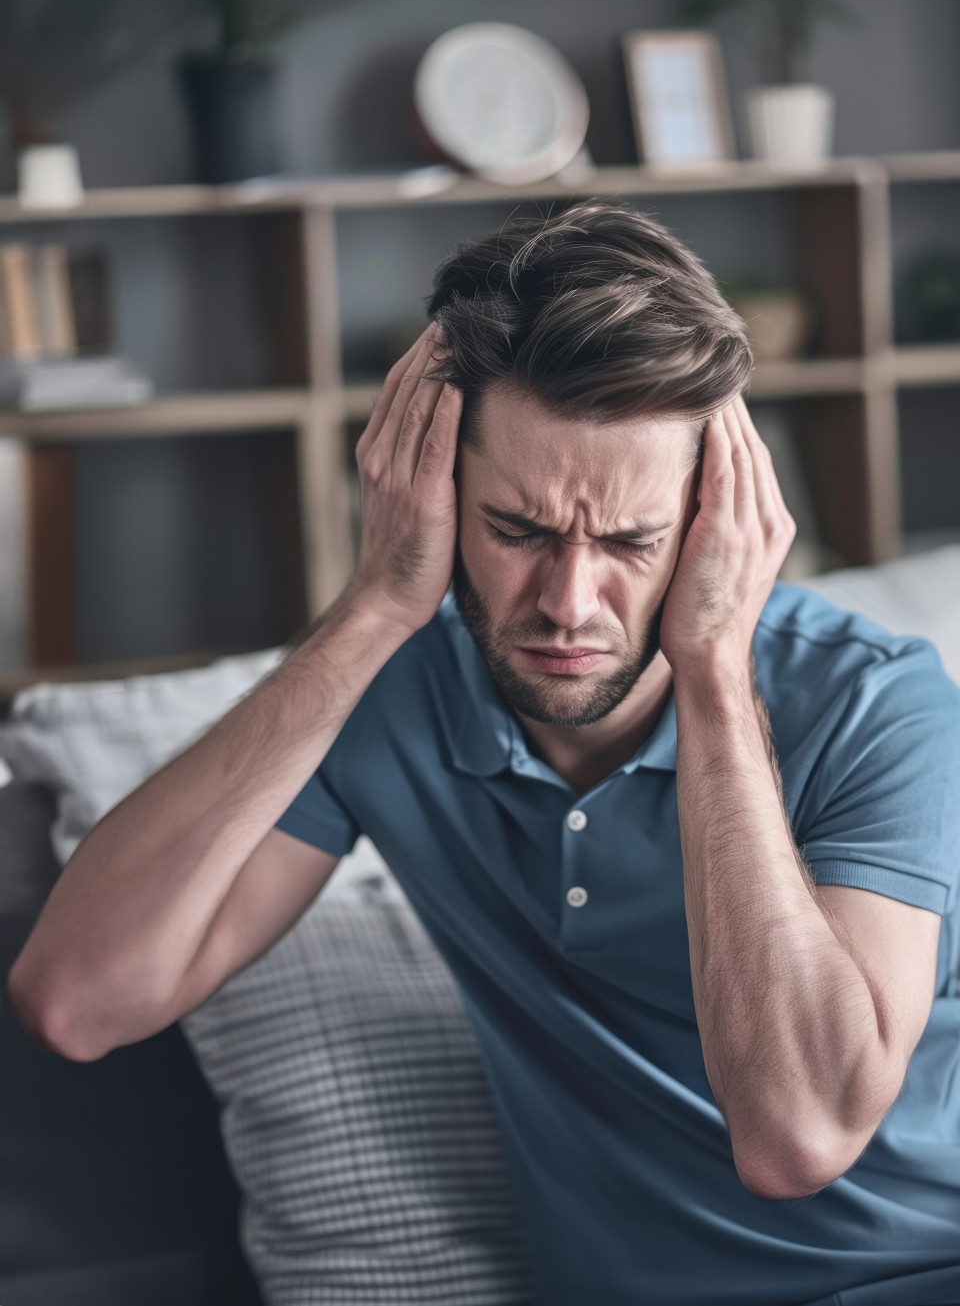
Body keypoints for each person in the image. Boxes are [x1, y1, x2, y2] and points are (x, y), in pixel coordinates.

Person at [9, 201, 960, 1306]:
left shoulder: (874, 702)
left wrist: (710, 671)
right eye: (517, 530)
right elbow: (77, 1001)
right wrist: (371, 609)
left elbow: (798, 1138)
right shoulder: (385, 694)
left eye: (631, 543)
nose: (568, 603)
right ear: (436, 490)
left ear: (711, 519)